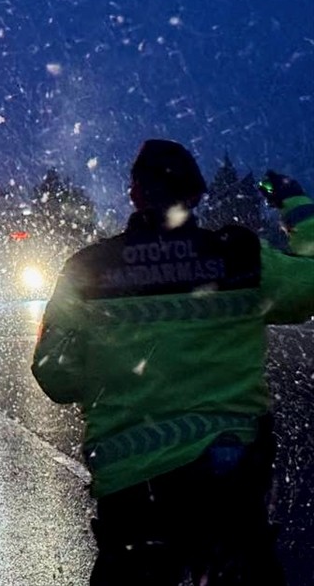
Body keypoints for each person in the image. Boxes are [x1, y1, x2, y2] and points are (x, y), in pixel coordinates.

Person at [31, 138, 314, 585]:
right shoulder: (240, 257)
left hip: (133, 491)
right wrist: (296, 205)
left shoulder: (88, 269)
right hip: (228, 478)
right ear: (197, 195)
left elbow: (55, 376)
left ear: (134, 194)